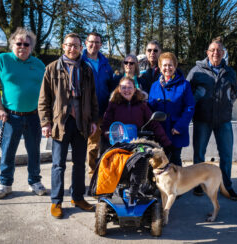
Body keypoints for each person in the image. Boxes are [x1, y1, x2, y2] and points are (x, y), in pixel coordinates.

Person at [38, 33, 99, 219]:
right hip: (60, 124)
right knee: (58, 164)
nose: (72, 49)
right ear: (63, 46)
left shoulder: (87, 70)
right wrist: (46, 122)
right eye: (69, 45)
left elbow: (93, 99)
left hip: (81, 123)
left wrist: (94, 121)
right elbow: (44, 99)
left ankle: (78, 197)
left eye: (76, 46)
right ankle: (56, 201)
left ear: (81, 48)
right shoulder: (52, 69)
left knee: (79, 163)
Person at [0, 27, 46, 199]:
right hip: (10, 116)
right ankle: (5, 183)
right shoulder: (3, 59)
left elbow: (48, 90)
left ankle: (35, 181)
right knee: (8, 151)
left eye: (26, 44)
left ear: (31, 47)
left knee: (34, 151)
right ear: (12, 43)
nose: (22, 47)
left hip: (34, 115)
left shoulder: (38, 64)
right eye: (18, 43)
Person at [186, 40, 237, 201]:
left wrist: (227, 104)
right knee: (199, 155)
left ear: (223, 53)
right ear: (207, 52)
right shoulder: (196, 71)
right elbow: (187, 93)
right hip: (203, 119)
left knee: (227, 155)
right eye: (212, 50)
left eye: (219, 50)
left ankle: (227, 187)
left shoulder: (229, 72)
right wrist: (198, 99)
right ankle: (198, 185)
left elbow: (234, 93)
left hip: (223, 120)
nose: (216, 52)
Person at [148, 52, 195, 166]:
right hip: (159, 131)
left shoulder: (184, 85)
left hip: (175, 131)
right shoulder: (154, 86)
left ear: (175, 66)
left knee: (174, 162)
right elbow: (150, 107)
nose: (167, 68)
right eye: (164, 65)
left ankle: (179, 184)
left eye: (170, 65)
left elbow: (190, 107)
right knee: (158, 163)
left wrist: (179, 126)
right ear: (159, 67)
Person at [101, 77, 171, 150]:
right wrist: (111, 137)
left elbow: (153, 123)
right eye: (123, 87)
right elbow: (106, 125)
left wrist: (166, 142)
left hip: (138, 144)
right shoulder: (113, 105)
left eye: (129, 87)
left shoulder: (142, 105)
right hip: (118, 144)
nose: (127, 90)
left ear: (134, 89)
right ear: (119, 89)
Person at [82, 32, 114, 178]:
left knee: (105, 143)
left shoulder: (106, 64)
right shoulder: (79, 61)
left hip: (104, 110)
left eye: (97, 42)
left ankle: (104, 170)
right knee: (92, 145)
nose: (94, 45)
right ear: (86, 43)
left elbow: (110, 86)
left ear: (101, 45)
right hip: (87, 111)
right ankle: (92, 173)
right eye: (91, 41)